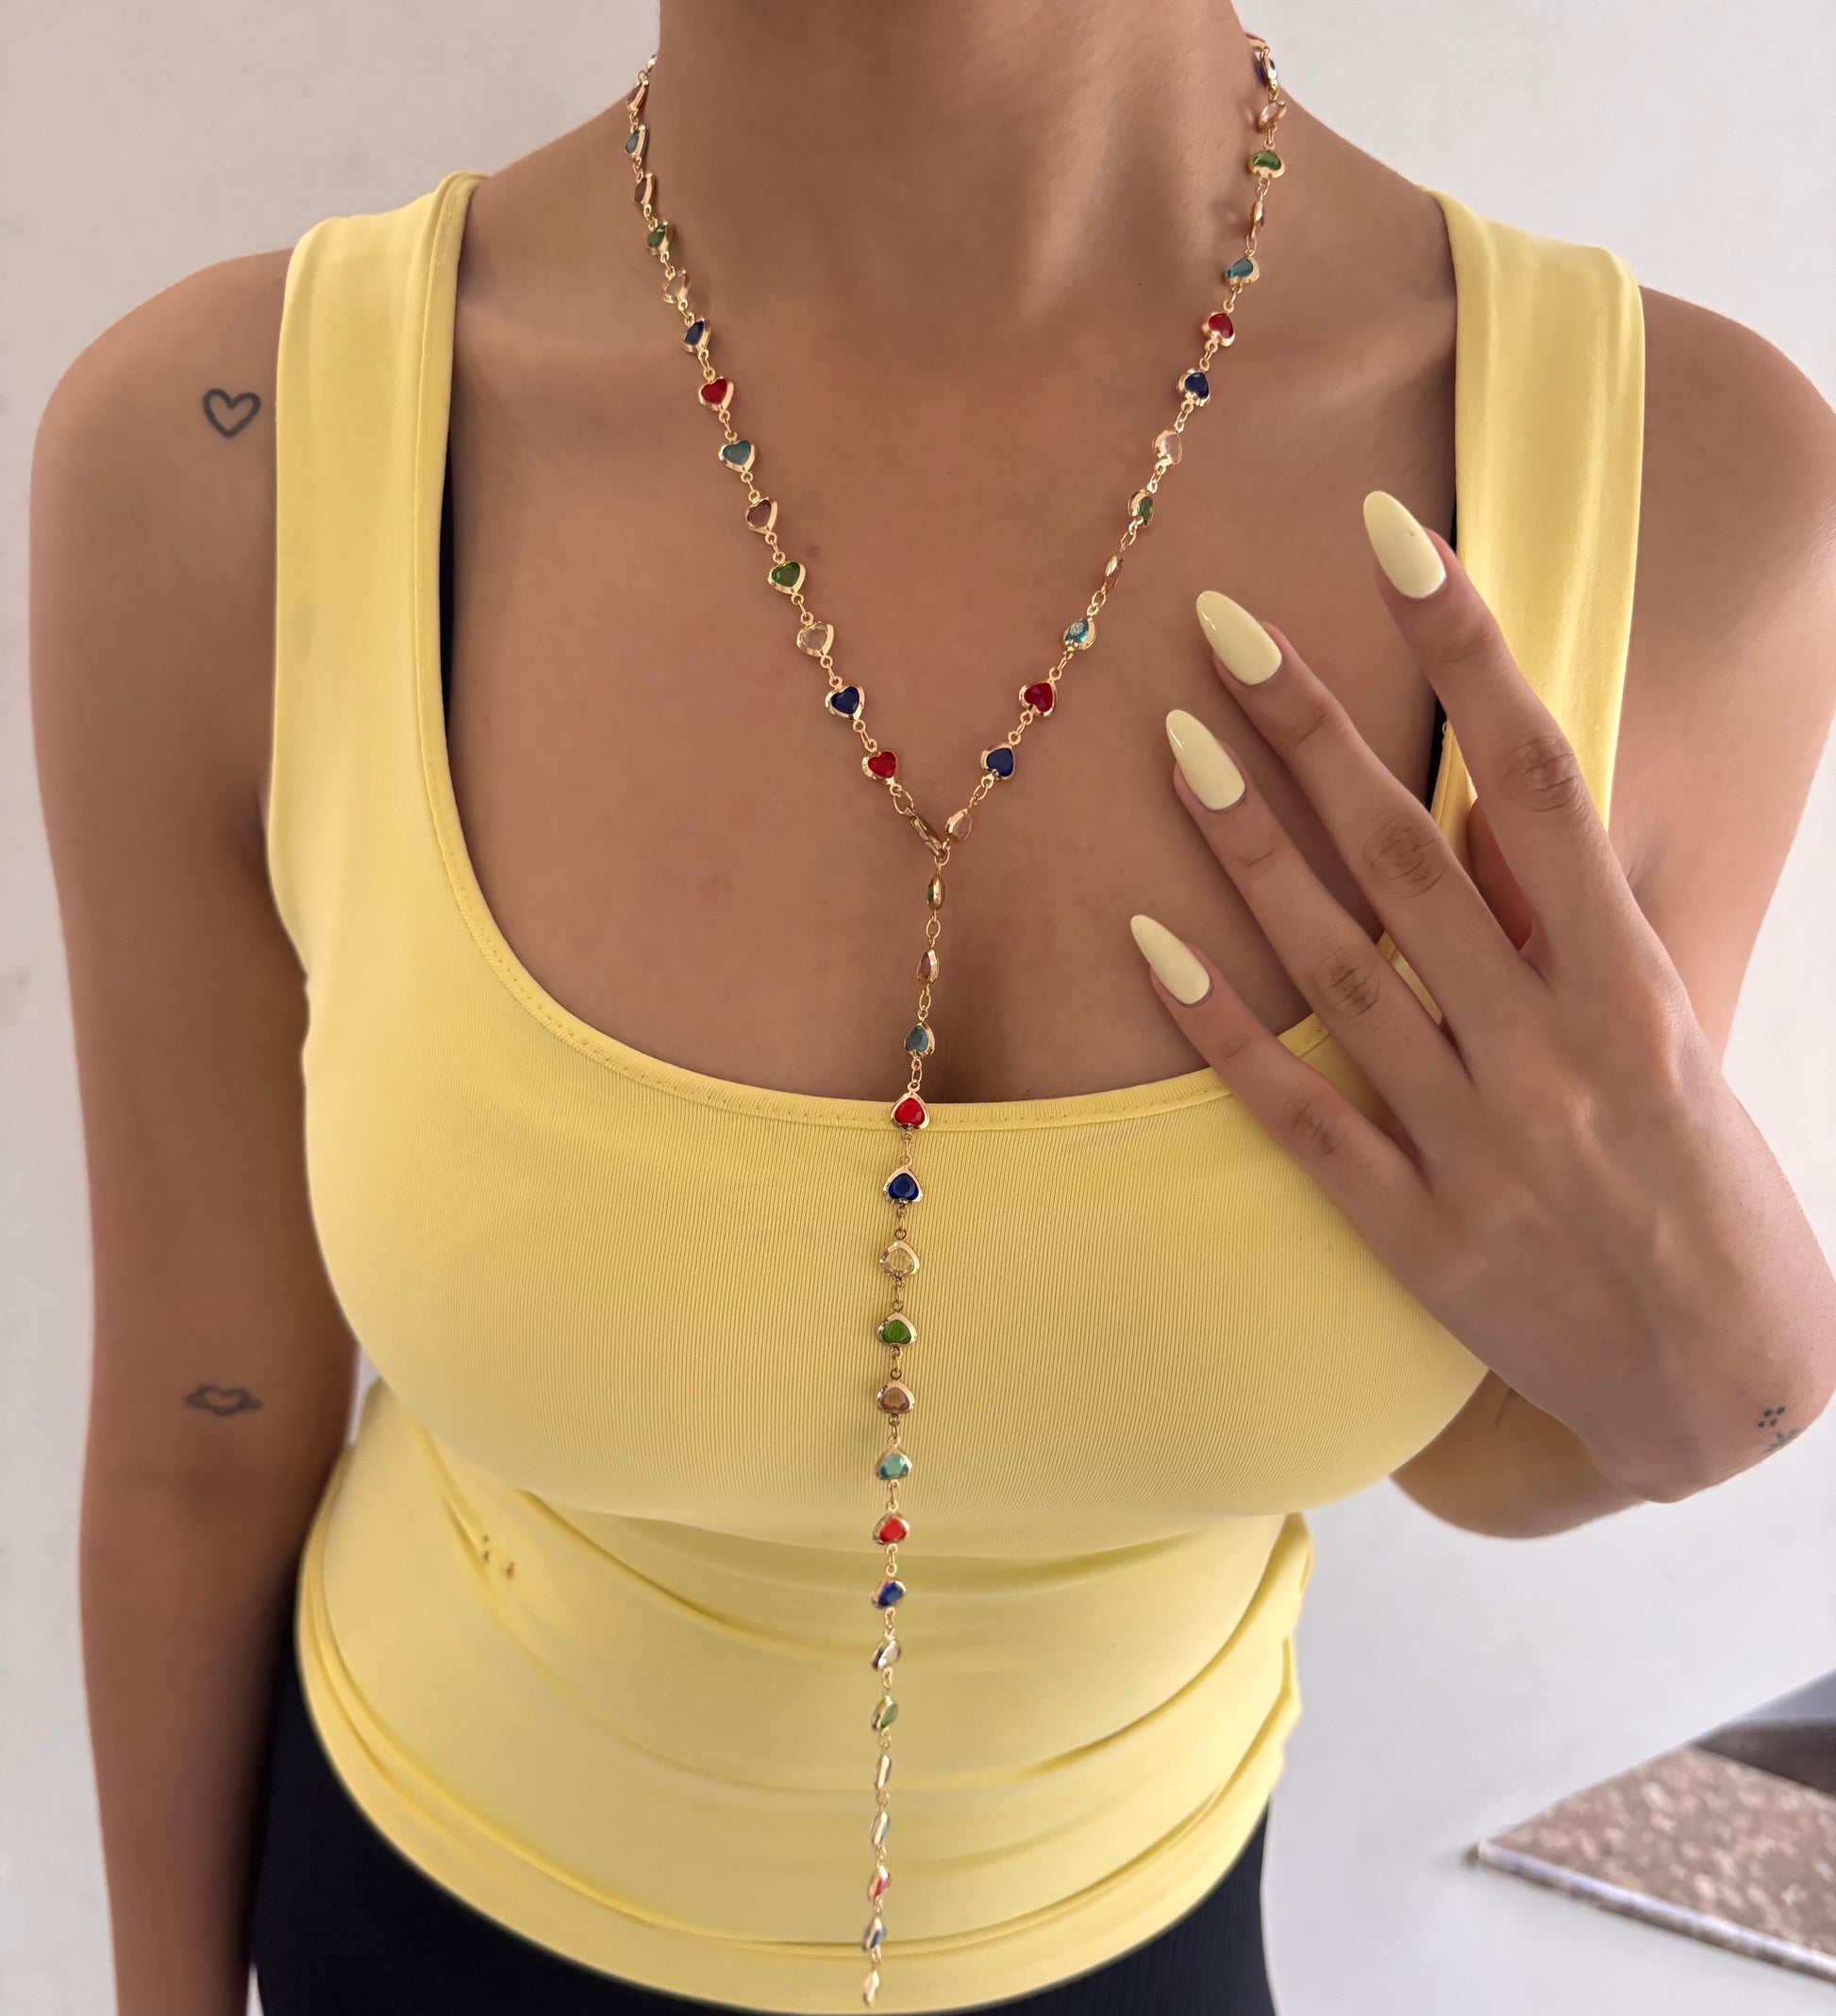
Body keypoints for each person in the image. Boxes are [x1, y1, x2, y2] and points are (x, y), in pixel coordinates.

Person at [28, 5, 1836, 2013]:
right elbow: (201, 1442)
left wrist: (1733, 1391)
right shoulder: (227, 458)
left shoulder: (1696, 497)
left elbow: (1487, 1427)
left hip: (1135, 1935)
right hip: (420, 1911)